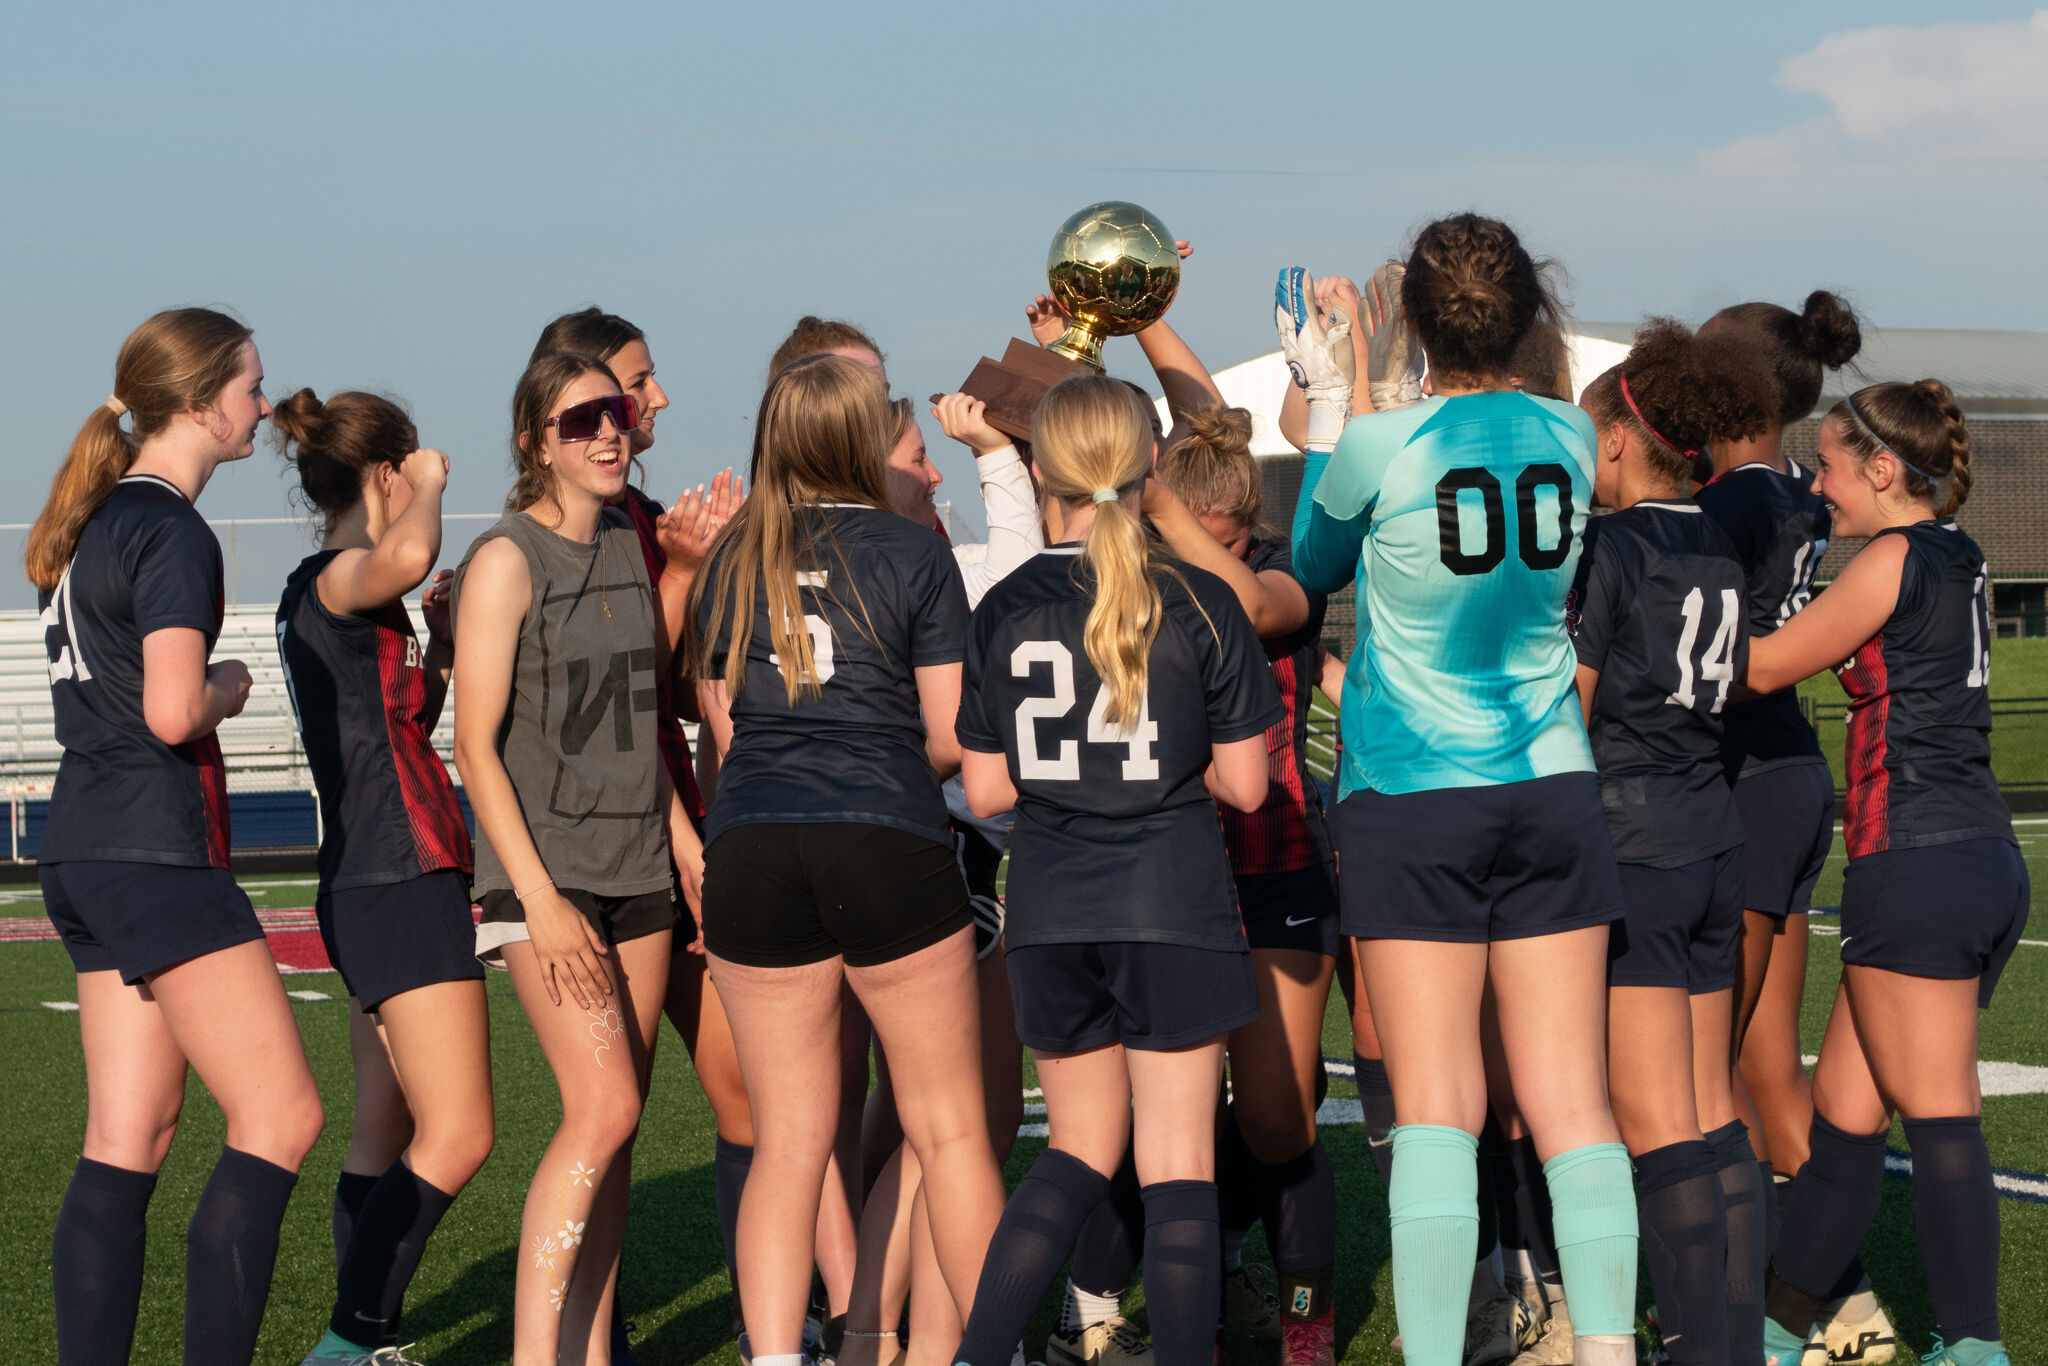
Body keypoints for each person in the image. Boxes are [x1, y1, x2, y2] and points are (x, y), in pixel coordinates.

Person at [1288, 215, 1640, 1366]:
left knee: (1436, 1099)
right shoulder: (1572, 435)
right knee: (1572, 1101)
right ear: (1528, 311)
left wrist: (1336, 389)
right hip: (1547, 779)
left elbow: (1306, 568)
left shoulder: (1382, 444)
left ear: (1414, 320)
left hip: (1412, 790)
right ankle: (1603, 1347)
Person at [951, 373, 1281, 1366]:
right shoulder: (1198, 598)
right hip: (1170, 897)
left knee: (1074, 1151)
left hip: (1052, 905)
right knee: (1177, 1160)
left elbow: (987, 788)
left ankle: (973, 1357)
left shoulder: (1005, 602)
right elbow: (1249, 786)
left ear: (1043, 470)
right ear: (1150, 467)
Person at [689, 353, 1007, 1366]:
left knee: (786, 1142)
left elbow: (725, 729)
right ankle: (983, 1347)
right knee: (949, 1129)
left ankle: (778, 1354)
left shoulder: (733, 553)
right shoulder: (908, 550)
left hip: (751, 839)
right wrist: (867, 761)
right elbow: (953, 738)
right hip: (880, 832)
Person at [33, 308, 326, 1366]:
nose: (261, 401)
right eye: (250, 384)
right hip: (151, 850)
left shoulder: (91, 522)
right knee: (281, 1117)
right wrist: (231, 684)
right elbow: (169, 710)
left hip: (83, 848)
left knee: (127, 1138)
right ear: (201, 400)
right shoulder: (169, 528)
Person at [1746, 382, 2022, 1366]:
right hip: (1970, 857)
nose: (1816, 486)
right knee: (1845, 1117)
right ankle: (1772, 1334)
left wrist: (1661, 612)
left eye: (1824, 465)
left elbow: (1764, 667)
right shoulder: (1958, 551)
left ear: (1877, 468)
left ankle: (1973, 1346)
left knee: (1940, 1114)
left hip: (1915, 861)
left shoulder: (1892, 556)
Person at [452, 351, 694, 1366]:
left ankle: (590, 1352)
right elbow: (472, 744)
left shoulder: (633, 550)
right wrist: (539, 902)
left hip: (641, 870)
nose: (608, 430)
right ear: (532, 440)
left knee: (616, 1134)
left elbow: (650, 721)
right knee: (605, 1106)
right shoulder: (507, 558)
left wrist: (687, 853)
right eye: (580, 418)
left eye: (619, 411)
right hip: (546, 877)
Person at [531, 306, 749, 1362]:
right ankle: (571, 1341)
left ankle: (779, 1313)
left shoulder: (637, 513)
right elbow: (604, 695)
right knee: (610, 1113)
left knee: (740, 1095)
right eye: (630, 386)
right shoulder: (551, 539)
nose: (647, 404)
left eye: (642, 391)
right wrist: (678, 574)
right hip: (590, 856)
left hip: (663, 837)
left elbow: (658, 698)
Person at [1569, 322, 1781, 1366]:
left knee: (1655, 1125)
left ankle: (1704, 1345)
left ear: (1616, 437)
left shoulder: (1610, 548)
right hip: (1708, 831)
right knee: (1709, 1107)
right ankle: (1729, 1338)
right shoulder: (1713, 539)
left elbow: (1572, 708)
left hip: (1634, 840)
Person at [1691, 291, 1895, 1366]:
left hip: (1736, 785)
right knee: (1763, 1068)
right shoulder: (1796, 499)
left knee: (1698, 1064)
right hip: (1785, 777)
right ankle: (1834, 1299)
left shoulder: (1729, 504)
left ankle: (1749, 1304)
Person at [272, 389, 494, 1365]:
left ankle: (369, 1337)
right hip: (398, 868)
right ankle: (349, 1339)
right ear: (383, 475)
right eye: (408, 467)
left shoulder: (321, 587)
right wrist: (433, 486)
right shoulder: (339, 576)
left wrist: (439, 641)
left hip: (372, 868)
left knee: (385, 1127)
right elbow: (404, 553)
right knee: (461, 1133)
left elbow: (396, 714)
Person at [835, 392, 1040, 1366]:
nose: (933, 469)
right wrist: (999, 458)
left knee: (931, 1126)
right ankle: (915, 1342)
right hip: (937, 857)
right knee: (955, 1127)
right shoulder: (907, 573)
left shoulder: (840, 568)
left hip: (887, 855)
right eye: (919, 455)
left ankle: (889, 1334)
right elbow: (1017, 583)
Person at [1145, 405, 1340, 1366]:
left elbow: (1256, 608)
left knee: (1274, 1113)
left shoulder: (1275, 574)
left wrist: (1178, 527)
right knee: (1162, 1128)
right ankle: (1190, 1308)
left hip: (1277, 868)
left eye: (1209, 535)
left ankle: (1308, 1320)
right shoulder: (1136, 576)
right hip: (1168, 872)